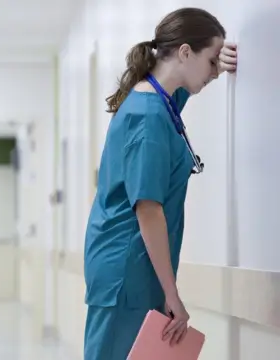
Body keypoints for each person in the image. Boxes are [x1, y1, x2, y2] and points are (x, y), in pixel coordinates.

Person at [82, 7, 238, 360]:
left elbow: (182, 94)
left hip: (133, 268)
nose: (215, 72)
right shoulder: (149, 117)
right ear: (184, 52)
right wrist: (173, 295)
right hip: (126, 273)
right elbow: (148, 210)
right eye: (212, 61)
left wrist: (220, 60)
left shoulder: (156, 102)